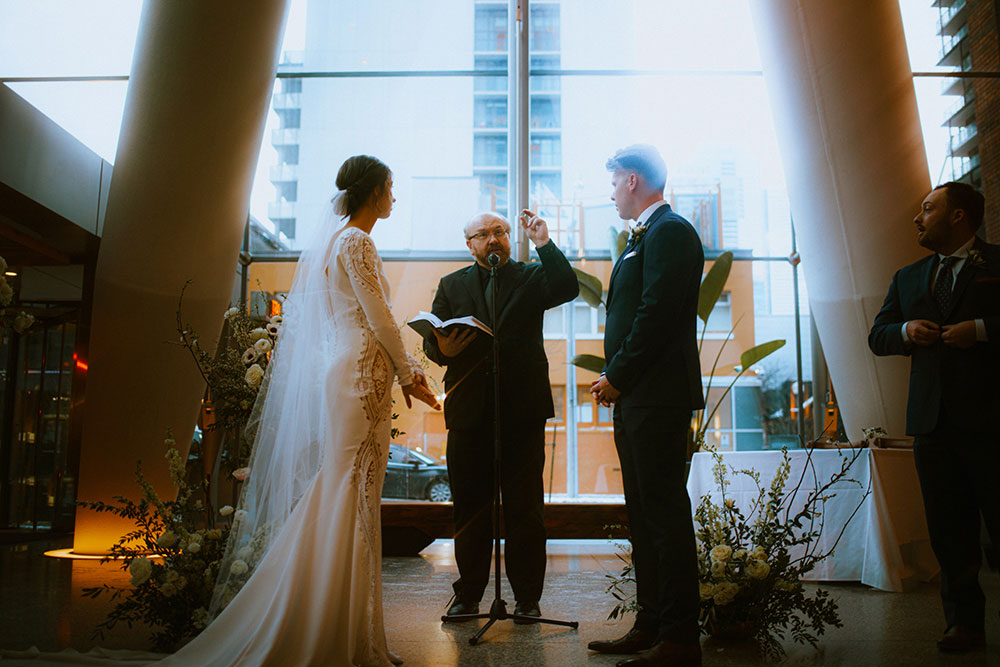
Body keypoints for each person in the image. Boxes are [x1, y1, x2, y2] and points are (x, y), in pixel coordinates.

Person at [162, 155, 440, 666]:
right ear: (374, 192)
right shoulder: (357, 241)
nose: (395, 198)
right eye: (391, 188)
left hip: (352, 371)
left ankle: (348, 629)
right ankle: (340, 635)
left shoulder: (337, 244)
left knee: (344, 495)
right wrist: (408, 374)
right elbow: (378, 318)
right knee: (351, 497)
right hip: (361, 374)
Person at [422, 210, 578, 622]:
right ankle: (469, 594)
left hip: (522, 410)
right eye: (483, 235)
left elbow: (566, 287)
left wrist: (544, 242)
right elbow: (433, 341)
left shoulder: (530, 277)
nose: (493, 240)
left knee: (526, 508)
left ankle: (528, 597)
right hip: (470, 411)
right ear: (469, 244)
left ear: (509, 238)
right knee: (470, 508)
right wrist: (444, 352)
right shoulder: (451, 284)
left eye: (500, 232)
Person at [868, 181, 1000, 654]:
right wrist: (905, 330)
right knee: (949, 532)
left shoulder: (997, 263)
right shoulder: (908, 276)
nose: (918, 218)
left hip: (993, 423)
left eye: (928, 209)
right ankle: (963, 624)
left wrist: (981, 331)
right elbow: (878, 335)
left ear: (959, 216)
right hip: (933, 426)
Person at [588, 145, 704, 667]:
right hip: (638, 397)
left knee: (664, 517)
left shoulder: (671, 232)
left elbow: (657, 314)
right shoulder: (646, 236)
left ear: (632, 180)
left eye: (613, 183)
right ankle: (651, 624)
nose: (611, 193)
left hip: (657, 396)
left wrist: (618, 374)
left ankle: (680, 639)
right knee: (643, 516)